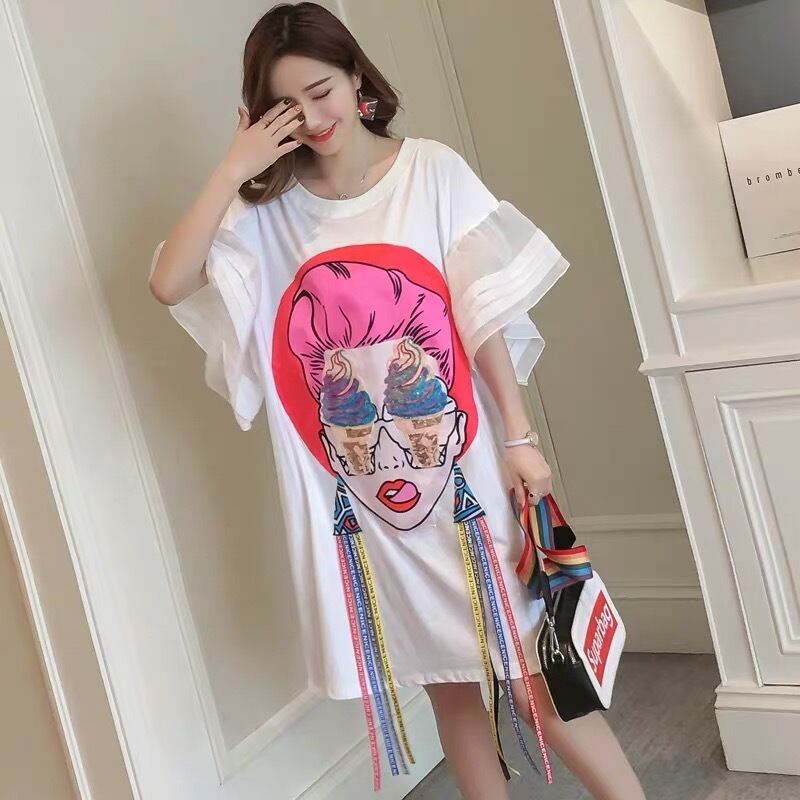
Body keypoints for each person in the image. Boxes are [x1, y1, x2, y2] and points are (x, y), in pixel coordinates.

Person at [148, 3, 646, 798]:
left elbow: (481, 312)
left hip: (467, 486)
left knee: (536, 677)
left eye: (322, 91)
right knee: (448, 687)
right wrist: (233, 166)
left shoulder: (430, 172)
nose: (313, 118)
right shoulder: (266, 212)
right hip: (363, 509)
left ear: (357, 78)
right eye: (286, 107)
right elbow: (169, 282)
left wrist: (518, 437)